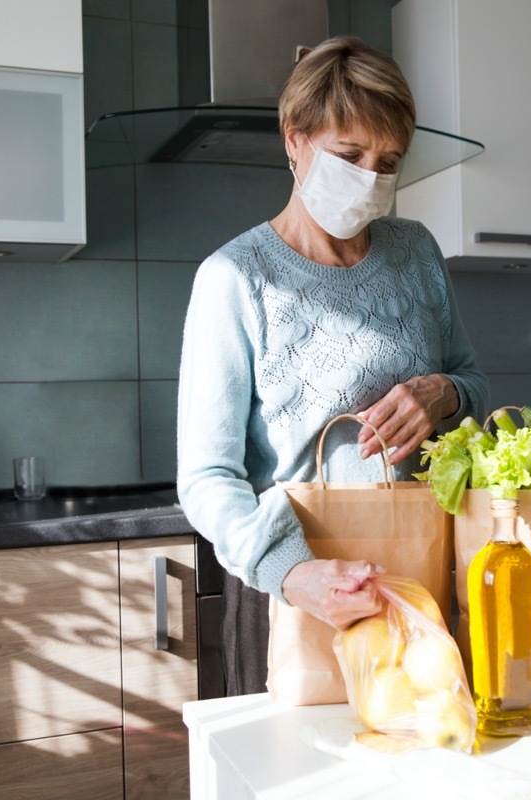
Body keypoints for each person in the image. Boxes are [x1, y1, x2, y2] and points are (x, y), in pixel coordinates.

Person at [176, 35, 489, 696]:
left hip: (417, 584)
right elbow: (206, 476)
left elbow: (474, 386)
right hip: (295, 595)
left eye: (388, 161)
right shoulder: (235, 278)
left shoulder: (417, 253)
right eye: (349, 155)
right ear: (295, 142)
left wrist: (441, 394)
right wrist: (293, 574)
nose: (370, 180)